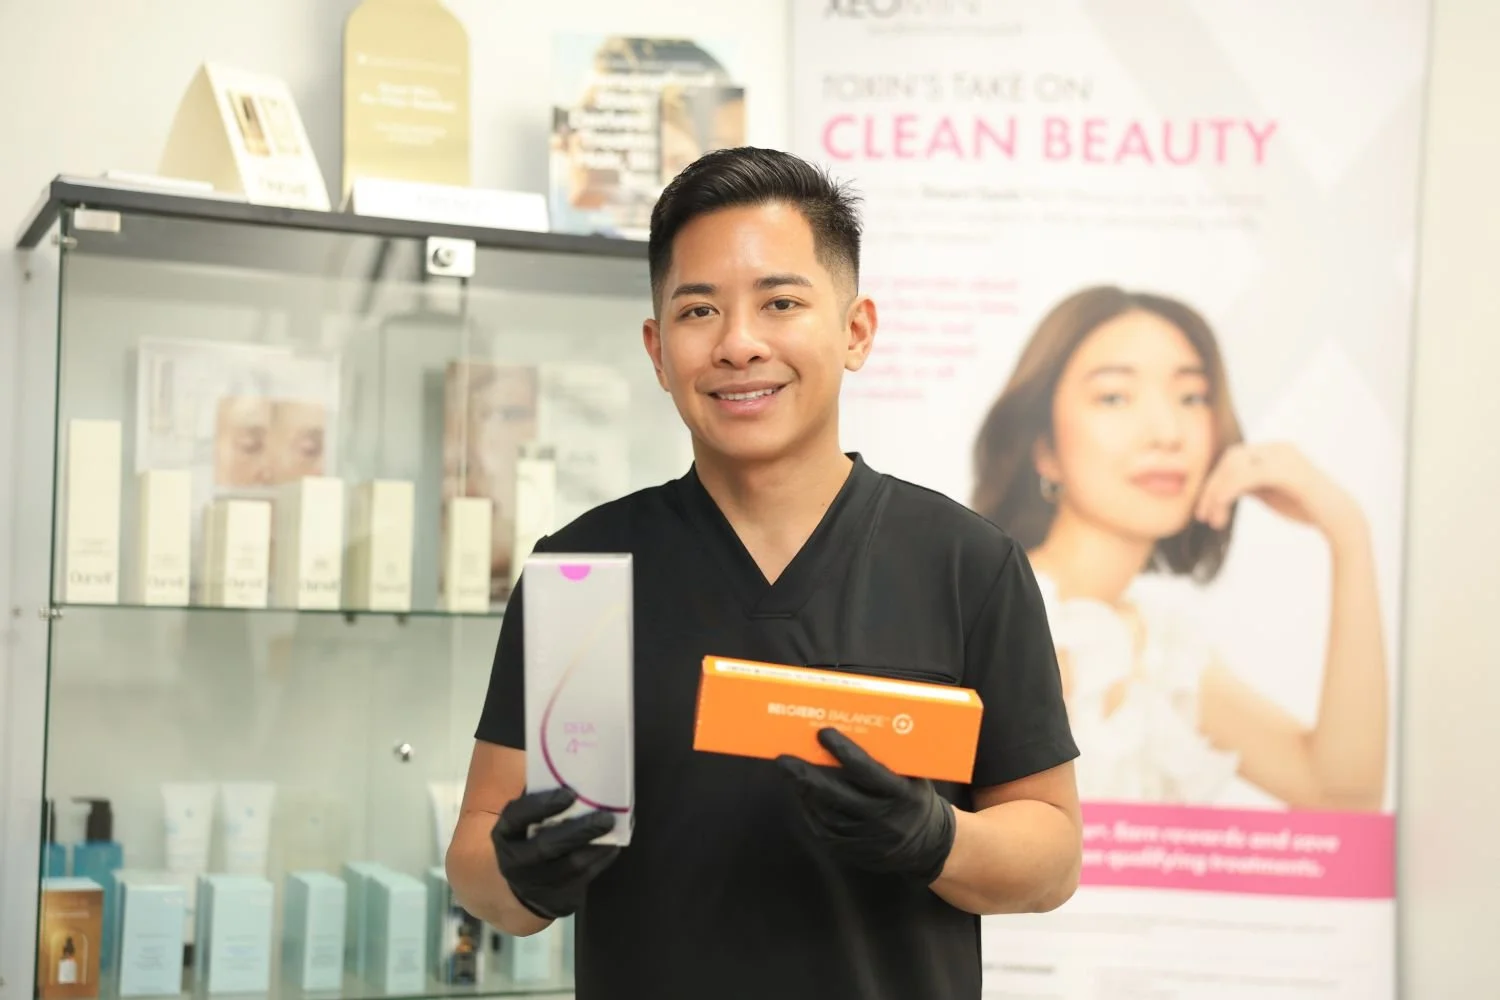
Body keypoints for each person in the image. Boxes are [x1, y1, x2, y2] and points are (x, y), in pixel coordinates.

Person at [446, 147, 1082, 999]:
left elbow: (1050, 856)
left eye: (780, 302)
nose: (739, 344)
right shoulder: (583, 571)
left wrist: (936, 838)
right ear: (658, 349)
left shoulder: (966, 563)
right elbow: (477, 853)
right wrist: (520, 876)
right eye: (699, 310)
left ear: (855, 331)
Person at [970, 286, 1388, 809]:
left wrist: (1348, 530)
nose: (1167, 433)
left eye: (1191, 397)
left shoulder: (1159, 649)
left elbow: (1342, 798)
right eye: (1114, 396)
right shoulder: (992, 617)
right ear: (1044, 448)